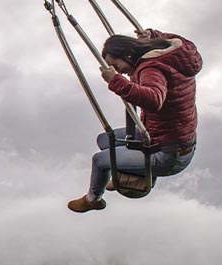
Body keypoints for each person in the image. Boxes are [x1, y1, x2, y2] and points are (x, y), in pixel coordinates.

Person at [68, 28, 203, 213]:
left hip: (170, 155)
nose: (120, 72)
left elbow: (154, 99)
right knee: (104, 140)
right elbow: (181, 42)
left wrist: (115, 81)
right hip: (166, 136)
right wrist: (153, 34)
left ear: (128, 54)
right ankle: (132, 168)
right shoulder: (171, 55)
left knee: (99, 161)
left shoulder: (150, 68)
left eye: (116, 65)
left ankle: (93, 199)